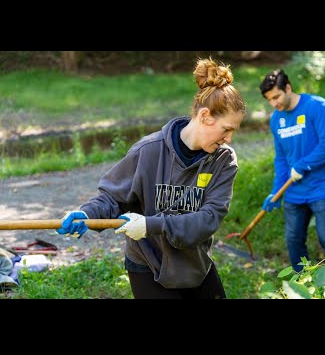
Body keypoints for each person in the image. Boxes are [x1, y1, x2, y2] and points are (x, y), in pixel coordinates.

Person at [56, 57, 246, 299]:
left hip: (194, 264)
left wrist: (150, 225)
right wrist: (87, 215)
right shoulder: (148, 151)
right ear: (205, 116)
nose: (229, 138)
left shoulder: (223, 160)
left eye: (233, 131)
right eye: (226, 129)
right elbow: (113, 198)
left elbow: (208, 220)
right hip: (148, 264)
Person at [259, 69, 325, 272]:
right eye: (269, 100)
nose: (274, 104)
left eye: (276, 97)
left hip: (323, 186)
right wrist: (276, 191)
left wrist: (303, 164)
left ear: (288, 88)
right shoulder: (276, 120)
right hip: (294, 191)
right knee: (294, 240)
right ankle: (303, 283)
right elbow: (281, 159)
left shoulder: (317, 106)